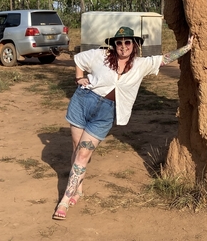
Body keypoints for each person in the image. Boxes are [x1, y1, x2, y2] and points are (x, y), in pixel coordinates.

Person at [52, 26, 193, 220]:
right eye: (119, 43)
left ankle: (64, 202)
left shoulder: (141, 64)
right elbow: (78, 59)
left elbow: (165, 59)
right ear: (114, 45)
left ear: (134, 45)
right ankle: (78, 190)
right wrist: (79, 78)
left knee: (83, 153)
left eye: (128, 42)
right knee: (77, 149)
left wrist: (187, 47)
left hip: (105, 113)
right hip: (83, 102)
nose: (123, 46)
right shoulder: (101, 56)